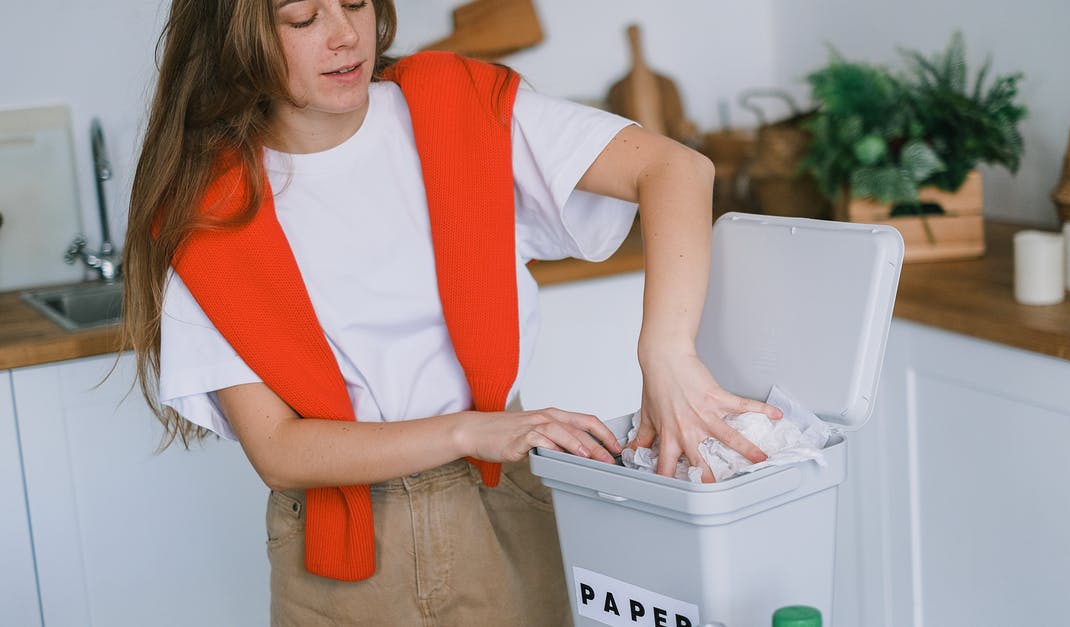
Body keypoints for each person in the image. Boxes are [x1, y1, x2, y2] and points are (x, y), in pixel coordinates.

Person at [123, 0, 782, 624]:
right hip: (335, 557)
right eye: (302, 17)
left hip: (500, 502)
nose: (345, 33)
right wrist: (469, 431)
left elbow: (675, 169)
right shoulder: (206, 211)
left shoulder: (457, 103)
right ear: (237, 39)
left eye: (354, 3)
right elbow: (279, 449)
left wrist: (666, 352)